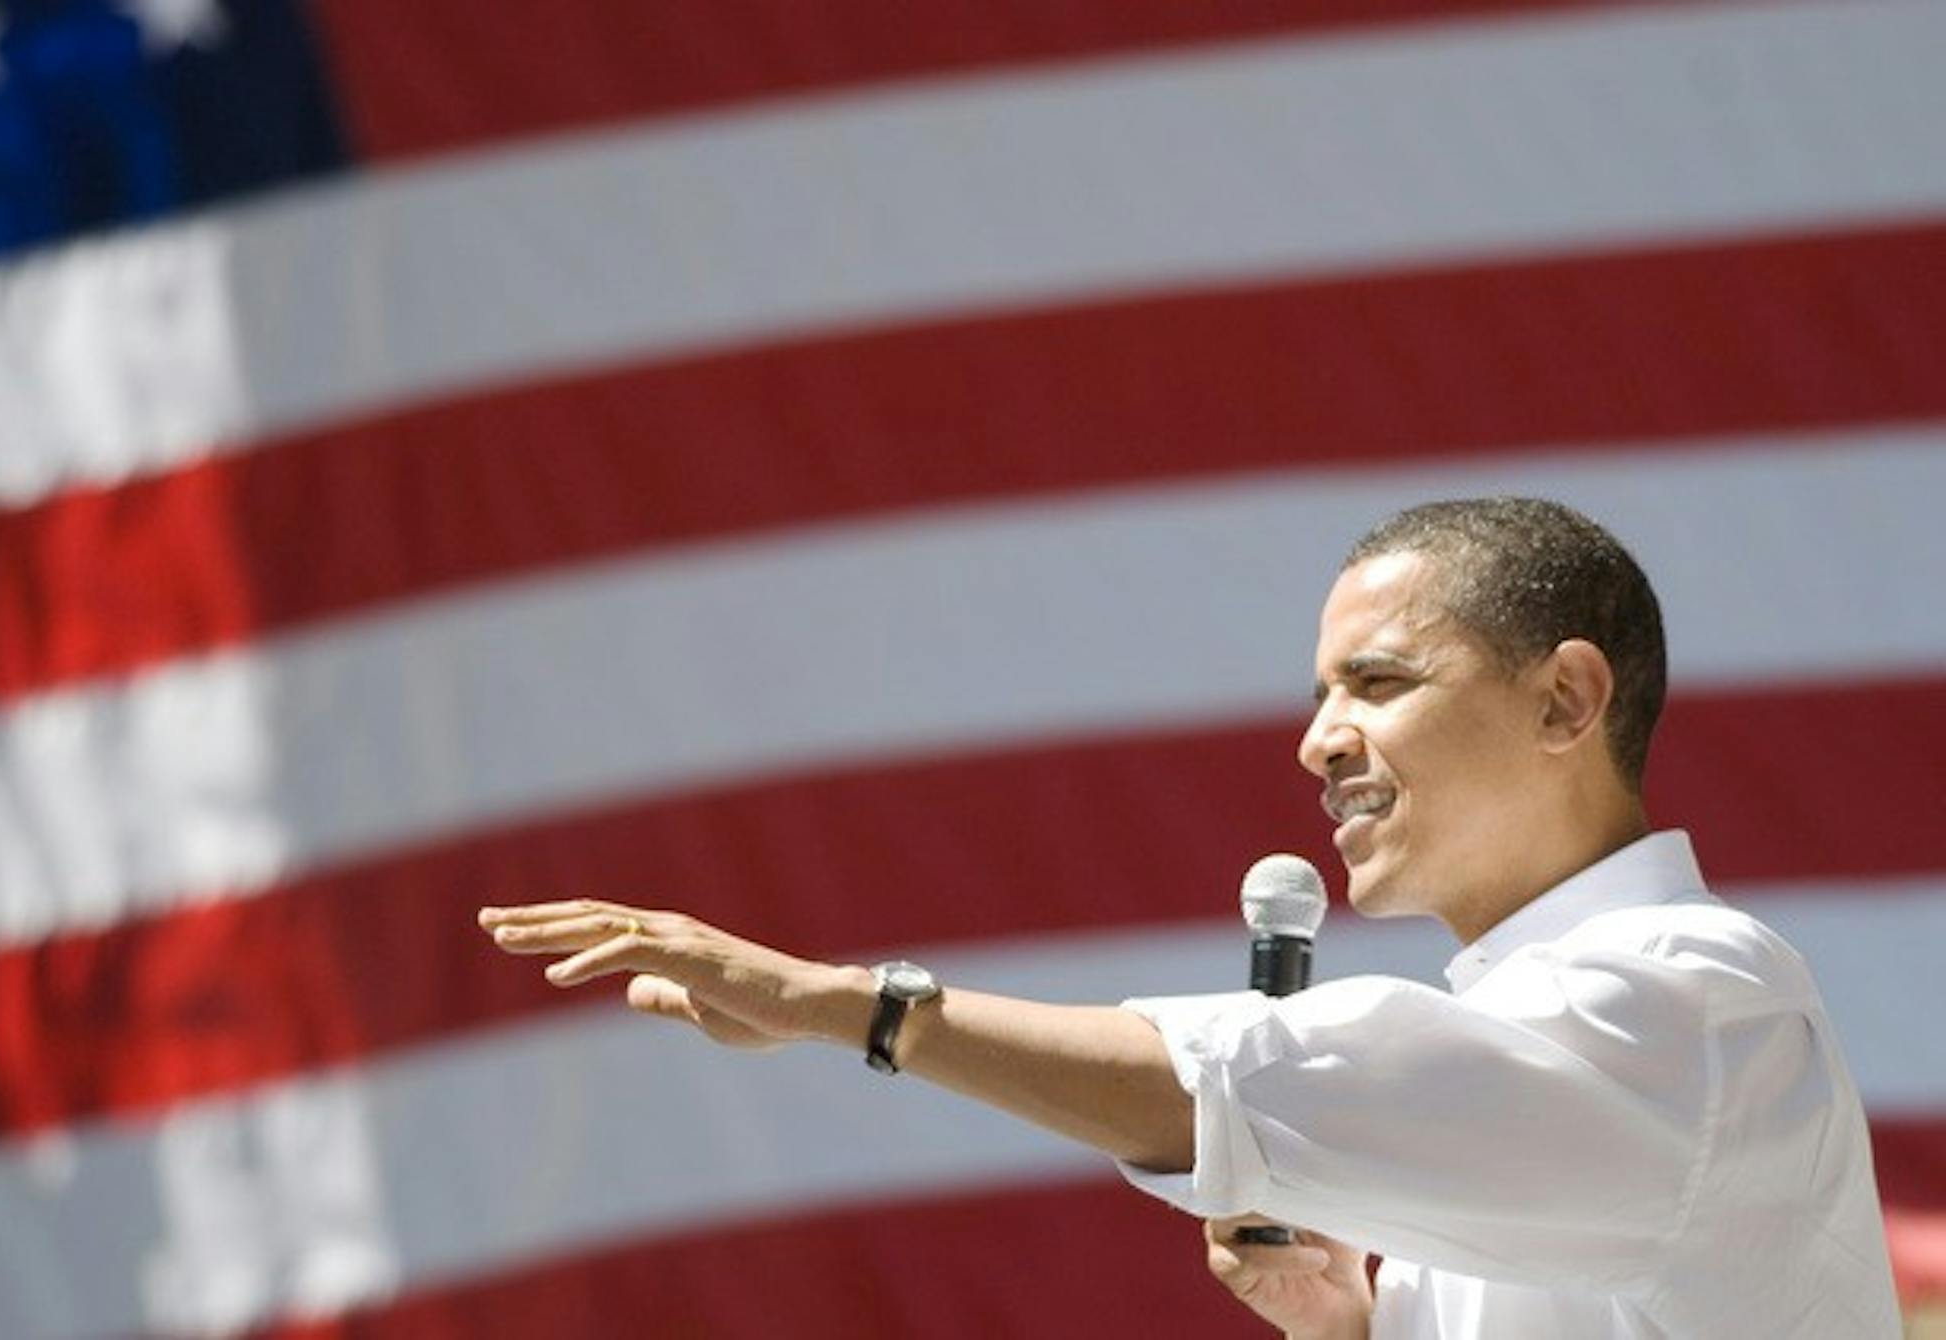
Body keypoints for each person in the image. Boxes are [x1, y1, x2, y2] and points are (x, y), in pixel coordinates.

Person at [480, 498, 1899, 1338]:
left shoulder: (1693, 996)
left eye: (1379, 683)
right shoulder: (1548, 1057)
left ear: (1565, 701)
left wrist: (851, 1006)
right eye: (1318, 695)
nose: (1317, 742)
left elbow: (1228, 1083)